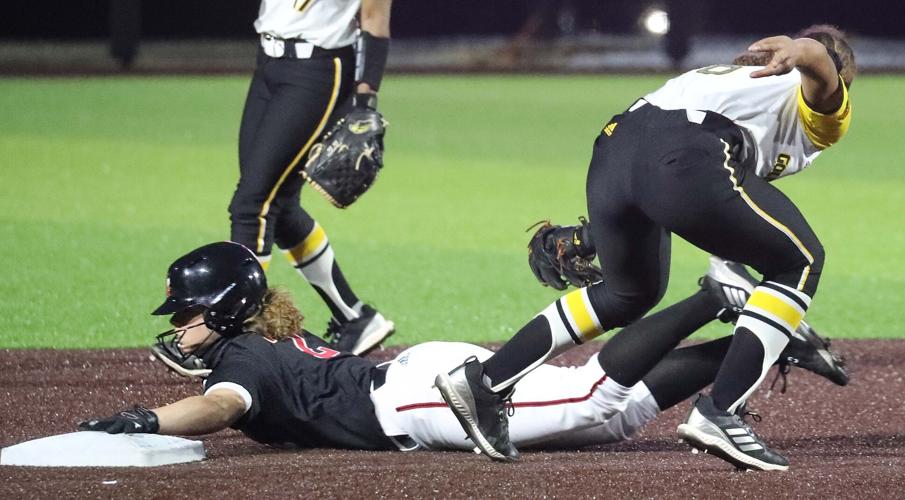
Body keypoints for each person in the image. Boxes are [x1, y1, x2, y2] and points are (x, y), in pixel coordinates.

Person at [435, 25, 855, 470]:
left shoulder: (727, 82)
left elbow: (668, 184)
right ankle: (721, 413)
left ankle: (485, 383)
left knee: (628, 292)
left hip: (618, 145)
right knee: (800, 262)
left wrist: (589, 238)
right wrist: (803, 50)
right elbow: (822, 67)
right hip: (690, 148)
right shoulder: (816, 98)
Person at [78, 242, 847, 455]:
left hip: (413, 401)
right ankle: (753, 341)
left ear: (224, 309)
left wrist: (148, 419)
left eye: (186, 313)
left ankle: (712, 296)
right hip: (413, 381)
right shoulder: (269, 332)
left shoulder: (242, 358)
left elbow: (217, 409)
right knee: (608, 416)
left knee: (585, 393)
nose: (178, 326)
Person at [227, 0, 395, 356]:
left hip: (320, 70)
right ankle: (355, 317)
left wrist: (364, 104)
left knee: (252, 205)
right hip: (269, 62)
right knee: (280, 205)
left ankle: (234, 334)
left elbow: (375, 19)